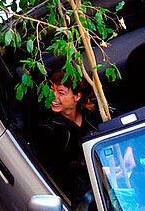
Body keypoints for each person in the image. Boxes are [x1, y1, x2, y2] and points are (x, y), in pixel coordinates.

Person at [34, 70, 99, 199]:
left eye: (61, 93)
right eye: (52, 91)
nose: (54, 97)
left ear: (77, 97)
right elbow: (54, 169)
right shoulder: (48, 128)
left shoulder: (93, 114)